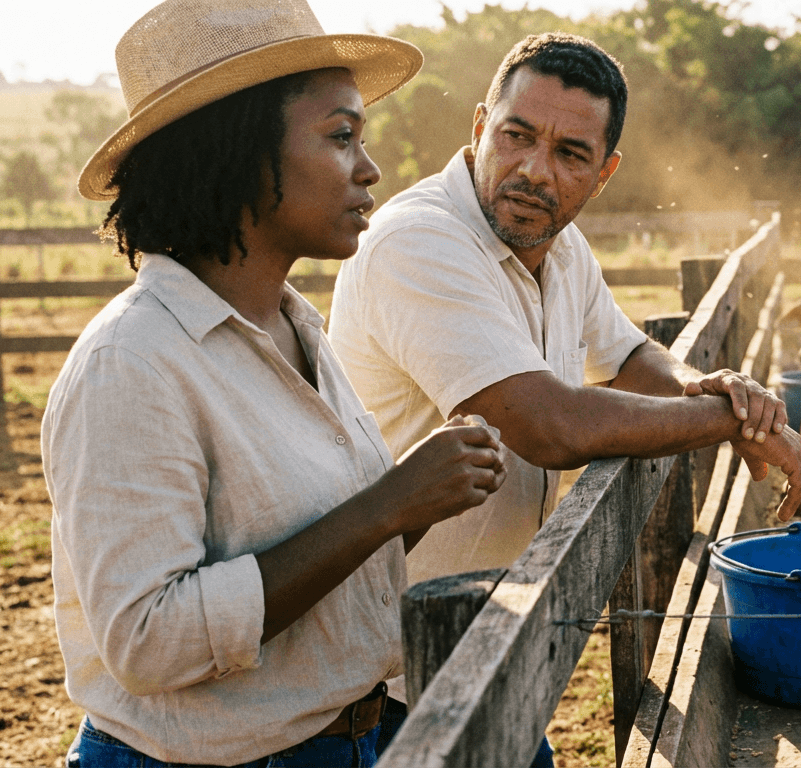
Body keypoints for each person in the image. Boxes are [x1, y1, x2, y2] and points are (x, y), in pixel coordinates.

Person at [43, 1, 507, 766]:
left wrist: (420, 495)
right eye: (340, 136)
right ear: (237, 157)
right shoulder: (131, 364)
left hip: (345, 740)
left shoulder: (299, 329)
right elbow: (148, 642)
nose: (370, 168)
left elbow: (322, 550)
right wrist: (388, 505)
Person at [329, 33, 801, 588]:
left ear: (604, 173)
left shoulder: (560, 241)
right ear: (481, 128)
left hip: (488, 606)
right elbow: (546, 426)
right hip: (391, 622)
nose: (535, 170)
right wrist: (729, 419)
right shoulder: (419, 241)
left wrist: (708, 387)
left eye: (571, 153)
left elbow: (626, 354)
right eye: (517, 136)